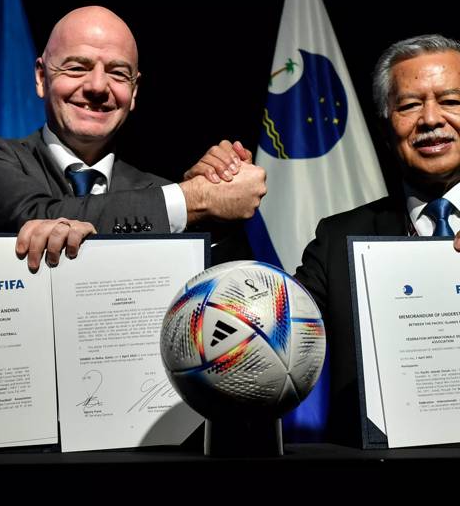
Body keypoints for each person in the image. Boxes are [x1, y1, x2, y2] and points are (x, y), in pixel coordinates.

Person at [186, 33, 460, 444]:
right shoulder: (339, 238)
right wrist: (219, 219)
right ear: (386, 128)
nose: (431, 119)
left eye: (451, 101)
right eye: (408, 105)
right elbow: (269, 325)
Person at [0, 5, 267, 269]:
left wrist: (217, 208)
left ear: (134, 92)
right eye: (77, 67)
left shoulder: (159, 193)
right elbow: (39, 215)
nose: (97, 87)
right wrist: (197, 199)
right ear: (41, 77)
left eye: (117, 73)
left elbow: (229, 311)